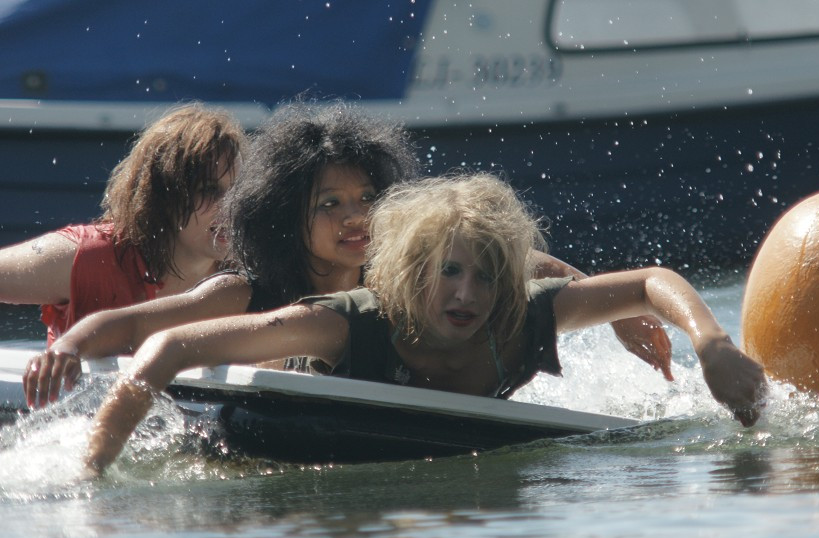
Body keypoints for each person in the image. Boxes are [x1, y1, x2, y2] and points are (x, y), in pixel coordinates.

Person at [81, 173, 766, 476]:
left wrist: (711, 347)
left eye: (487, 275)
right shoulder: (347, 326)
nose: (468, 294)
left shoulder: (523, 315)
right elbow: (170, 346)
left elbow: (653, 281)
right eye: (448, 273)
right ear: (411, 277)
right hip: (285, 438)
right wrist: (96, 467)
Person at [23, 102, 673, 407]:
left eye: (366, 199)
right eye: (329, 204)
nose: (355, 217)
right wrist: (70, 346)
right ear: (286, 215)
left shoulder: (406, 277)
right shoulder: (246, 295)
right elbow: (135, 328)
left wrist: (617, 312)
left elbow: (531, 269)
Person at [0, 102, 245, 345]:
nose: (230, 206)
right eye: (209, 190)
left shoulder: (250, 277)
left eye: (238, 191)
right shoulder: (89, 259)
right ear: (164, 196)